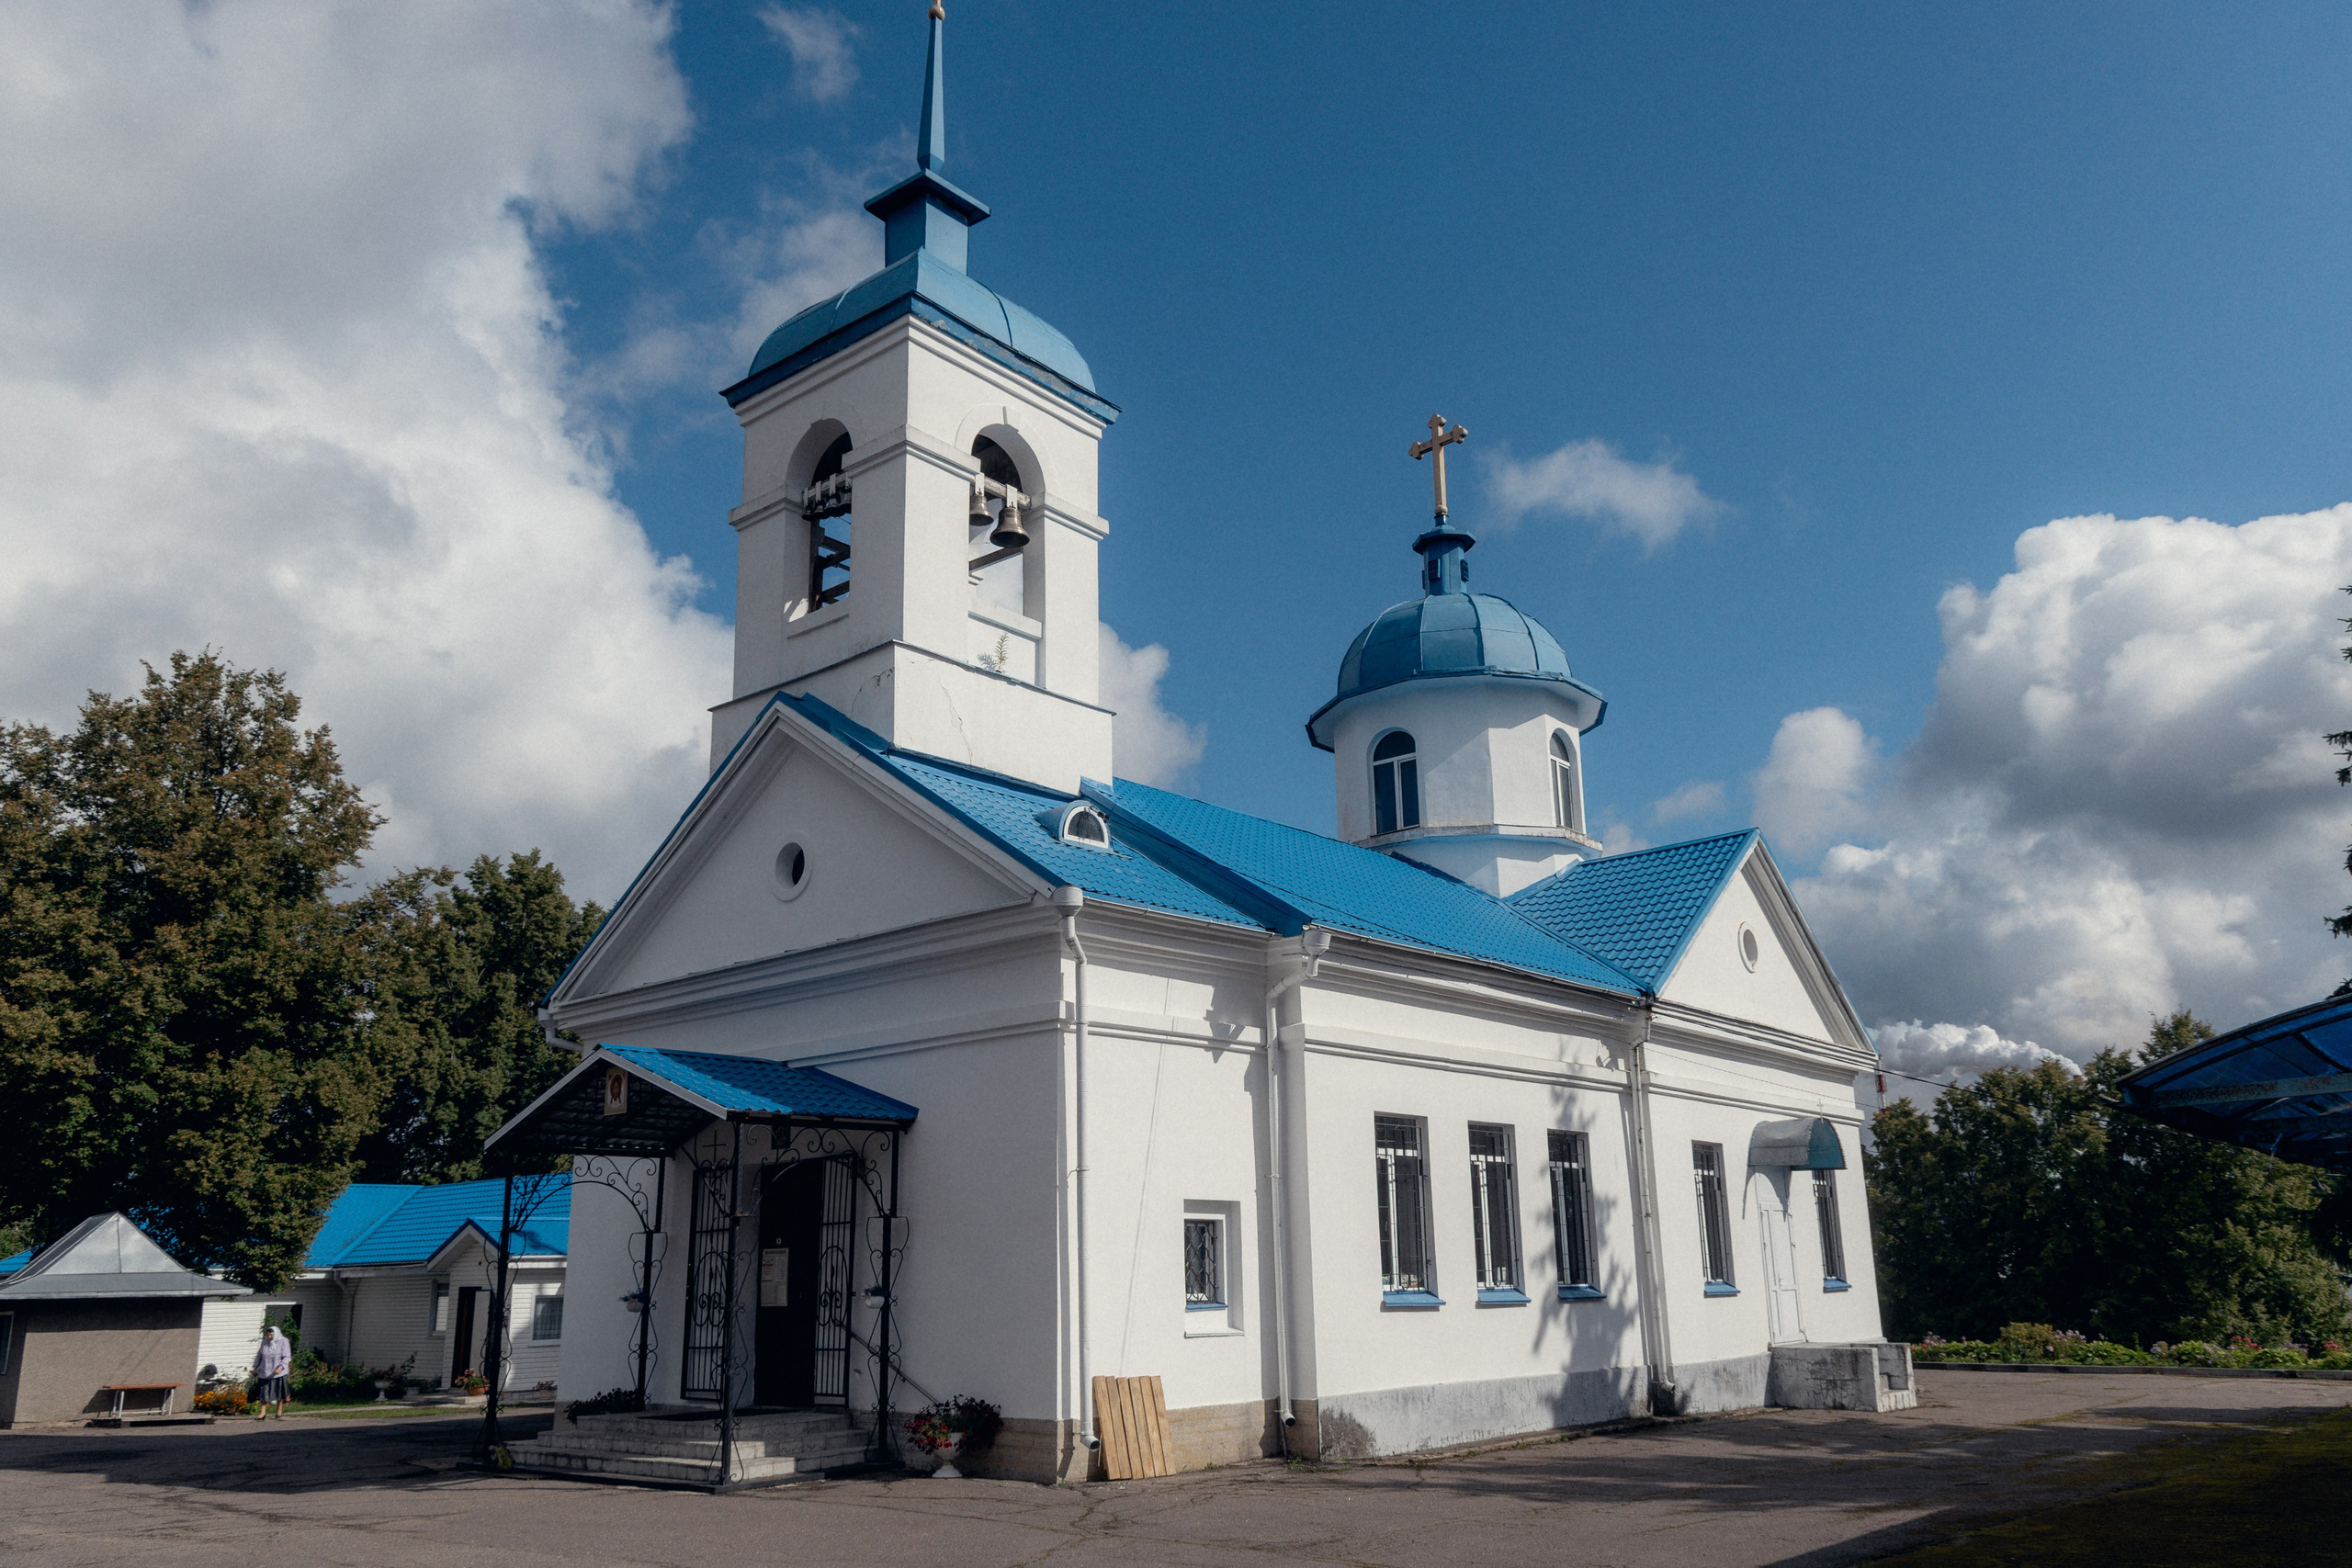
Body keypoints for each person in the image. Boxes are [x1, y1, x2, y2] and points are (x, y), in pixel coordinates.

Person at [250, 1324, 292, 1419]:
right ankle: (263, 1413)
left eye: (271, 1335)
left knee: (279, 1393)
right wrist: (255, 1367)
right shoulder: (265, 1343)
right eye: (268, 1335)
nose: (269, 1337)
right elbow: (259, 1356)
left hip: (278, 1372)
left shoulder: (284, 1341)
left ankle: (279, 1410)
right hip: (265, 1371)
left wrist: (281, 1367)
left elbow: (287, 1356)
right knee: (263, 1393)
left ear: (276, 1334)